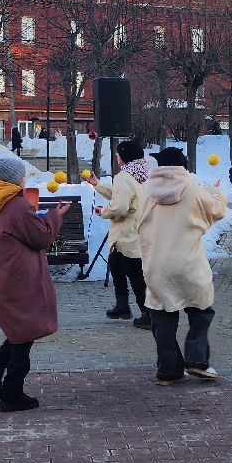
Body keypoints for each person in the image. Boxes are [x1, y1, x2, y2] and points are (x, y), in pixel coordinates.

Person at [0, 154, 67, 412]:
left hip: (5, 279)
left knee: (21, 333)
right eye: (23, 175)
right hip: (20, 282)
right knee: (24, 333)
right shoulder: (17, 206)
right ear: (15, 179)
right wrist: (55, 216)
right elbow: (42, 238)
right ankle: (11, 392)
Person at [138, 147, 229, 385]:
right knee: (201, 310)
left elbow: (139, 225)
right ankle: (197, 359)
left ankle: (169, 371)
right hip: (188, 263)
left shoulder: (148, 194)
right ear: (182, 167)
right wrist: (217, 193)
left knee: (162, 319)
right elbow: (218, 210)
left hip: (157, 265)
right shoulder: (196, 192)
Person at [86, 139, 151, 327]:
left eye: (118, 153)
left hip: (126, 235)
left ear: (124, 156)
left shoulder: (123, 177)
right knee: (116, 266)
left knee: (135, 274)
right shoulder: (138, 175)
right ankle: (123, 306)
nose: (116, 156)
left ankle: (148, 313)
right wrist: (97, 184)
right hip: (134, 232)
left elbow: (120, 207)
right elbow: (120, 195)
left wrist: (104, 212)